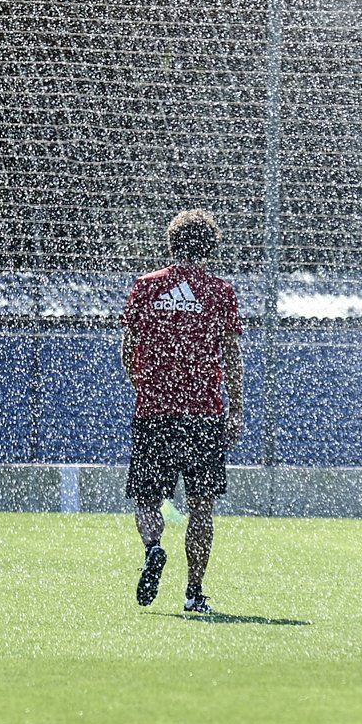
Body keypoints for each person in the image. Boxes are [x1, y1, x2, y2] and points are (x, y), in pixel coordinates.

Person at [120, 209, 244, 613]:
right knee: (201, 508)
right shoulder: (220, 291)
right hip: (203, 414)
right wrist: (236, 410)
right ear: (210, 247)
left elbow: (126, 350)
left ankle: (154, 547)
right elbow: (231, 355)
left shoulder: (145, 287)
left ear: (171, 244)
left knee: (147, 500)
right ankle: (194, 593)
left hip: (154, 412)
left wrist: (143, 384)